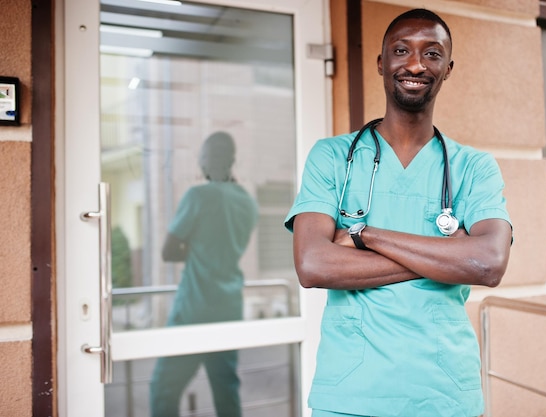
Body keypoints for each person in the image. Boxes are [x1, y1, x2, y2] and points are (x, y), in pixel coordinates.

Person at [284, 8, 513, 417]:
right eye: (402, 50)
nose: (415, 64)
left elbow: (488, 264)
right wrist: (448, 257)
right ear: (381, 62)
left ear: (448, 69)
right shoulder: (333, 157)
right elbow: (312, 264)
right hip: (351, 395)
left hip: (445, 396)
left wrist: (364, 236)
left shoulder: (474, 167)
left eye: (432, 54)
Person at [150, 132, 258, 417]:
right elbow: (229, 246)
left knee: (163, 389)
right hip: (229, 305)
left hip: (194, 308)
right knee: (226, 391)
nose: (201, 163)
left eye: (204, 157)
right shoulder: (246, 201)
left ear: (209, 161)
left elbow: (167, 251)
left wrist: (195, 251)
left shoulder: (198, 195)